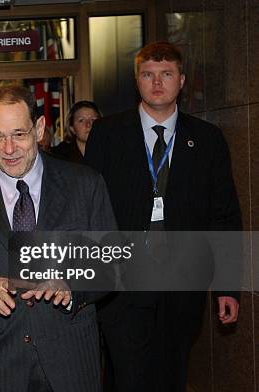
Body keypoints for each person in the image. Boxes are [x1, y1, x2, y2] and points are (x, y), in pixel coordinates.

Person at [84, 41, 241, 392]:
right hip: (122, 283)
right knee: (128, 376)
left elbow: (225, 215)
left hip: (183, 283)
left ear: (181, 80)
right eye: (148, 75)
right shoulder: (107, 134)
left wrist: (228, 287)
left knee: (172, 375)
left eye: (166, 74)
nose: (157, 83)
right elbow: (90, 208)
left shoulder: (207, 140)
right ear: (136, 81)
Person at [0, 85, 117, 392]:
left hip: (71, 358)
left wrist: (71, 284)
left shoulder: (85, 184)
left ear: (38, 128)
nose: (9, 149)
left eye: (19, 134)